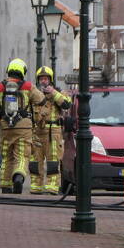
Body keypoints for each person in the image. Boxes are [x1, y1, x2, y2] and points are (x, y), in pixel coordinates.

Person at [0, 58, 44, 194]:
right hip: (24, 127)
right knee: (22, 155)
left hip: (5, 127)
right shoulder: (28, 86)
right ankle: (18, 176)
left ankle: (5, 186)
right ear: (23, 71)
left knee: (6, 157)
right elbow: (41, 99)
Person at [29, 66, 72, 195]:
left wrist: (53, 92)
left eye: (46, 78)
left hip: (53, 133)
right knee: (35, 161)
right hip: (37, 132)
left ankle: (52, 187)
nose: (43, 81)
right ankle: (36, 186)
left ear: (50, 80)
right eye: (41, 79)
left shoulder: (58, 92)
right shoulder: (34, 94)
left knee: (53, 161)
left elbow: (67, 104)